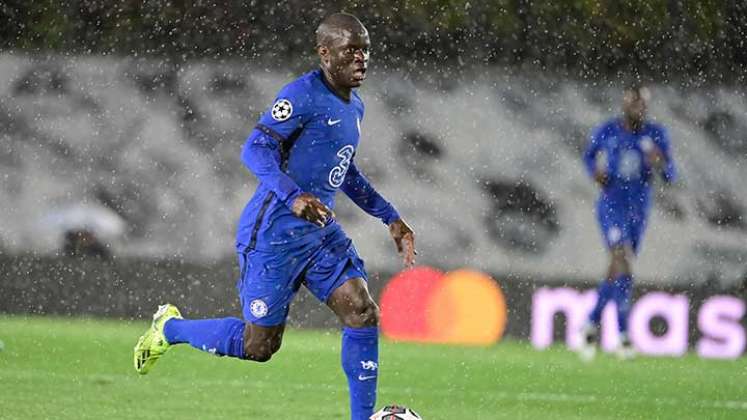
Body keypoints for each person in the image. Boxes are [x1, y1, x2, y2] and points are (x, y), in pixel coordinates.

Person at [133, 12, 415, 420]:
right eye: (351, 50)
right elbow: (254, 149)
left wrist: (390, 216)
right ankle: (169, 329)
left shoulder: (355, 106)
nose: (361, 59)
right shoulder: (300, 95)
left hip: (319, 234)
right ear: (324, 53)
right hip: (273, 236)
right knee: (258, 347)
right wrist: (293, 195)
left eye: (365, 50)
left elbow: (344, 170)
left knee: (362, 310)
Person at [578, 84, 677, 360]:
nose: (639, 109)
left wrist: (660, 163)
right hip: (611, 204)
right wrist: (594, 172)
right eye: (635, 103)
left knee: (616, 268)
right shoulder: (609, 130)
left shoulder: (655, 135)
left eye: (643, 104)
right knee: (622, 261)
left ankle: (590, 323)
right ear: (625, 105)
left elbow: (671, 174)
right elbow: (588, 156)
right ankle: (622, 336)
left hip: (638, 209)